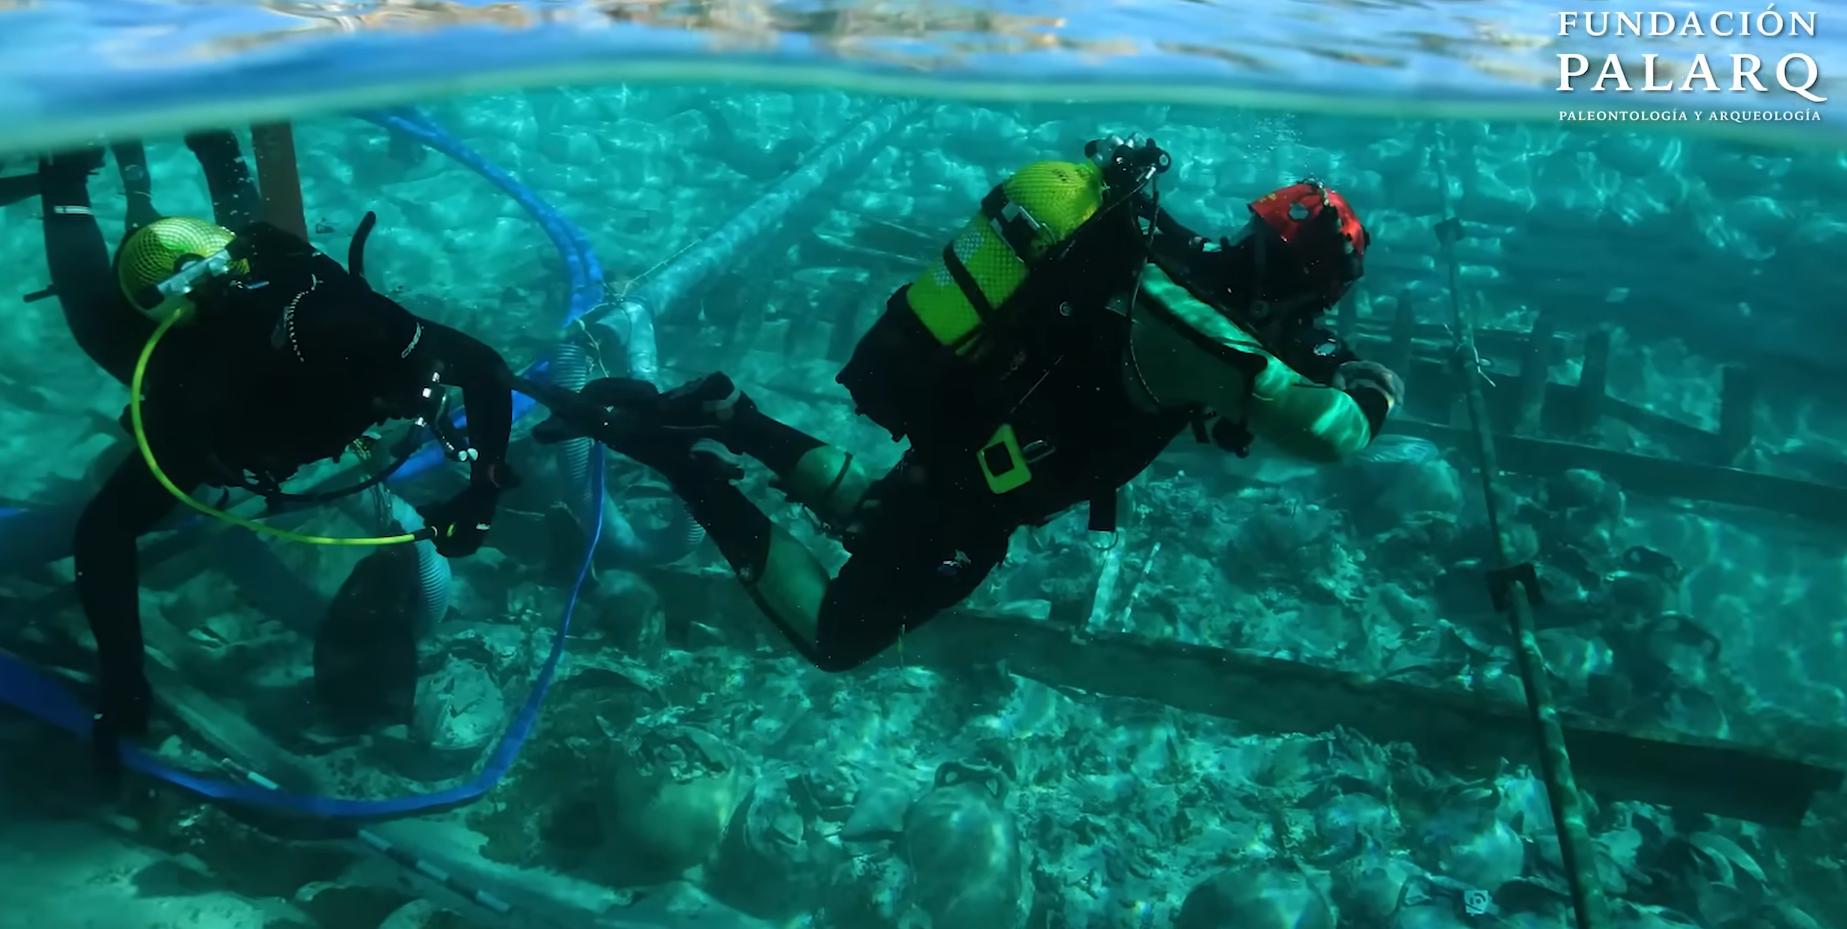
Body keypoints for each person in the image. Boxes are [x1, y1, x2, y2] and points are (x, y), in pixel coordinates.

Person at [529, 135, 1404, 672]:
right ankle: (683, 461)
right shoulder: (1207, 338)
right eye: (1315, 304)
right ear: (1298, 288)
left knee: (878, 513)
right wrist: (1371, 382)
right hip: (977, 496)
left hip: (962, 440)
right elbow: (1331, 433)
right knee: (837, 636)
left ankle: (730, 414)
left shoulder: (1153, 256)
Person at [27, 132, 517, 774]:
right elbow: (102, 535)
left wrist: (483, 491)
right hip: (209, 364)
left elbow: (485, 368)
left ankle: (213, 147)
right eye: (404, 389)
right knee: (98, 320)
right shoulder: (217, 412)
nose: (418, 395)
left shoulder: (366, 327)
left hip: (262, 275)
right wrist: (123, 676)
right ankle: (66, 180)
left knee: (261, 238)